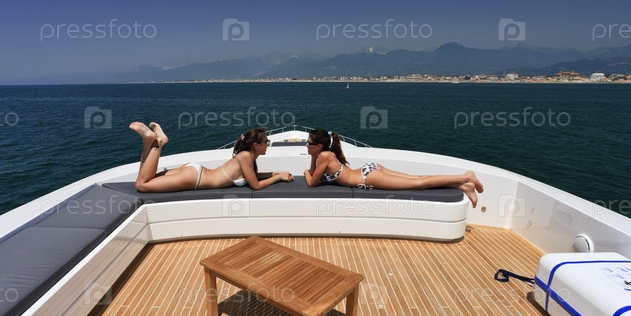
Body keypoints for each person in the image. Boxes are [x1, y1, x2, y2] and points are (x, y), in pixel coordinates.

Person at [303, 128, 484, 207]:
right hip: (369, 170)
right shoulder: (325, 155)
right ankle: (462, 185)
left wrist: (305, 171)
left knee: (419, 184)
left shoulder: (324, 156)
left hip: (368, 178)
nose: (306, 145)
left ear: (318, 146)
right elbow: (314, 173)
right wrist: (312, 157)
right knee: (417, 179)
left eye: (309, 143)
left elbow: (311, 182)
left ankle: (465, 176)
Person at [130, 122, 293, 192]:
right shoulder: (246, 157)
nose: (268, 144)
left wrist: (277, 173)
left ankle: (148, 141)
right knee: (141, 185)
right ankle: (158, 143)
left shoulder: (246, 157)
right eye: (266, 142)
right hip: (194, 178)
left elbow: (253, 176)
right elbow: (255, 185)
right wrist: (277, 178)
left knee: (146, 178)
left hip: (194, 172)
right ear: (256, 145)